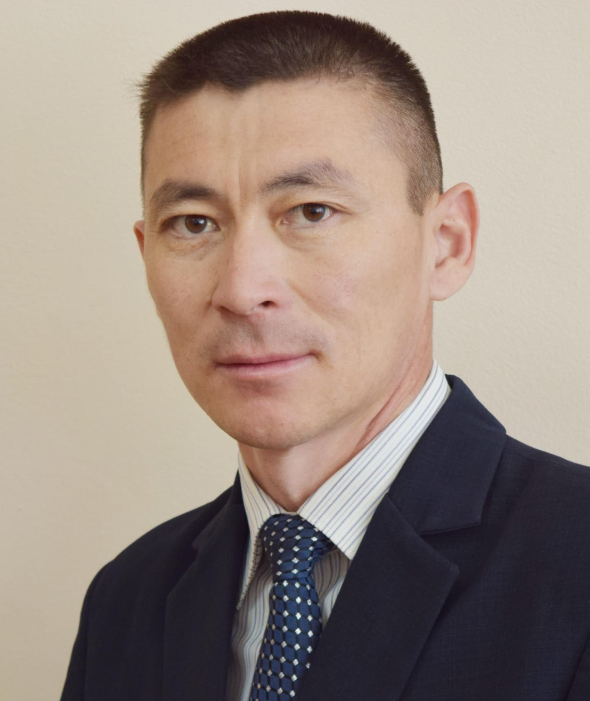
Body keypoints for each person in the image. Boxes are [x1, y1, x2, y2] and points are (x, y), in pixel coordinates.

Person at [60, 10, 590, 701]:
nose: (241, 290)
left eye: (312, 211)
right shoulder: (126, 600)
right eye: (194, 223)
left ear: (446, 243)